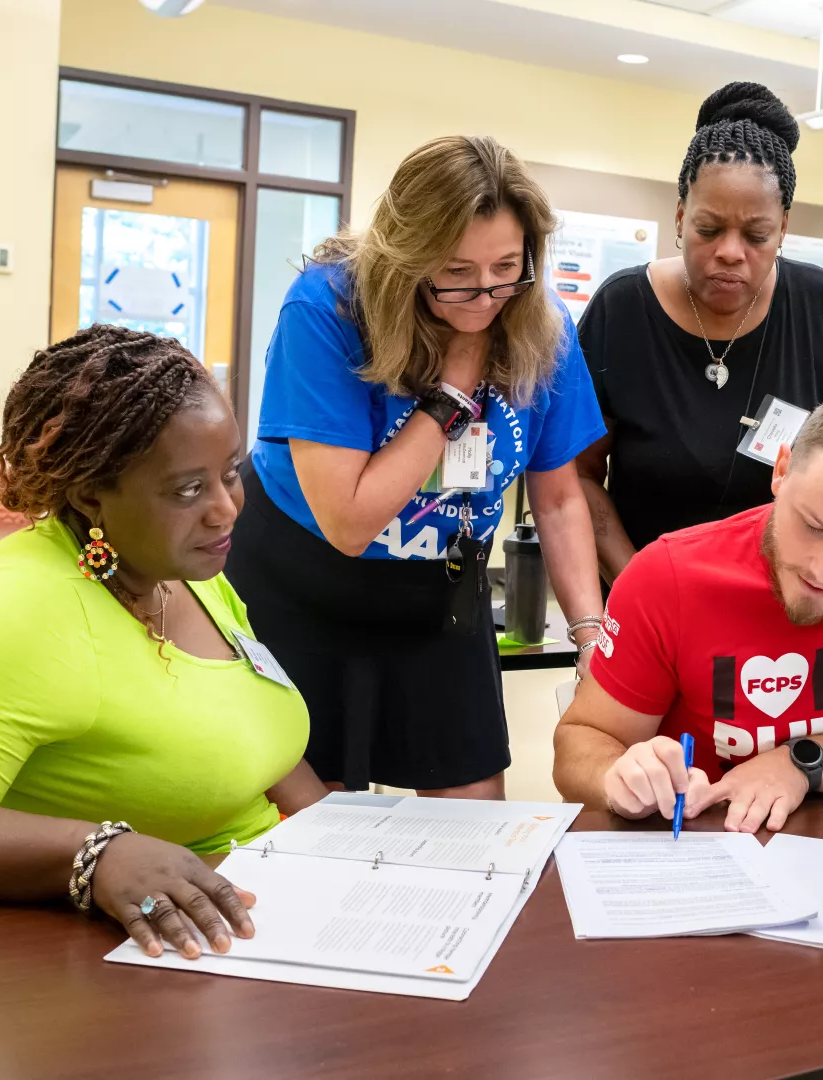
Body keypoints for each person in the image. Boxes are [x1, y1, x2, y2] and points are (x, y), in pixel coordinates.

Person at [0, 325, 325, 961]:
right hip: (109, 956)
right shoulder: (18, 612)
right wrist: (93, 852)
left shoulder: (184, 571)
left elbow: (257, 734)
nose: (226, 509)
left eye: (231, 474)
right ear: (90, 496)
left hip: (254, 902)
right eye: (189, 489)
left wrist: (347, 842)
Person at [227, 135, 606, 799]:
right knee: (322, 828)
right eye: (455, 271)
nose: (485, 295)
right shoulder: (328, 309)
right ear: (407, 254)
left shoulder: (542, 326)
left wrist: (590, 635)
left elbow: (559, 499)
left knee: (473, 819)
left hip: (440, 591)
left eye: (506, 267)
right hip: (305, 583)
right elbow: (347, 520)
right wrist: (448, 398)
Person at [553, 388, 823, 834]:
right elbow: (578, 745)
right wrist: (617, 777)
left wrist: (802, 763)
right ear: (781, 472)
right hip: (717, 851)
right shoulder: (667, 578)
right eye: (812, 525)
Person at [576, 82, 823, 583]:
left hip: (780, 602)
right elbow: (578, 474)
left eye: (757, 235)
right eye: (709, 230)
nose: (731, 252)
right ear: (679, 217)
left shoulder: (817, 304)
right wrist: (638, 579)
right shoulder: (623, 308)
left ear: (783, 228)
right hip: (645, 599)